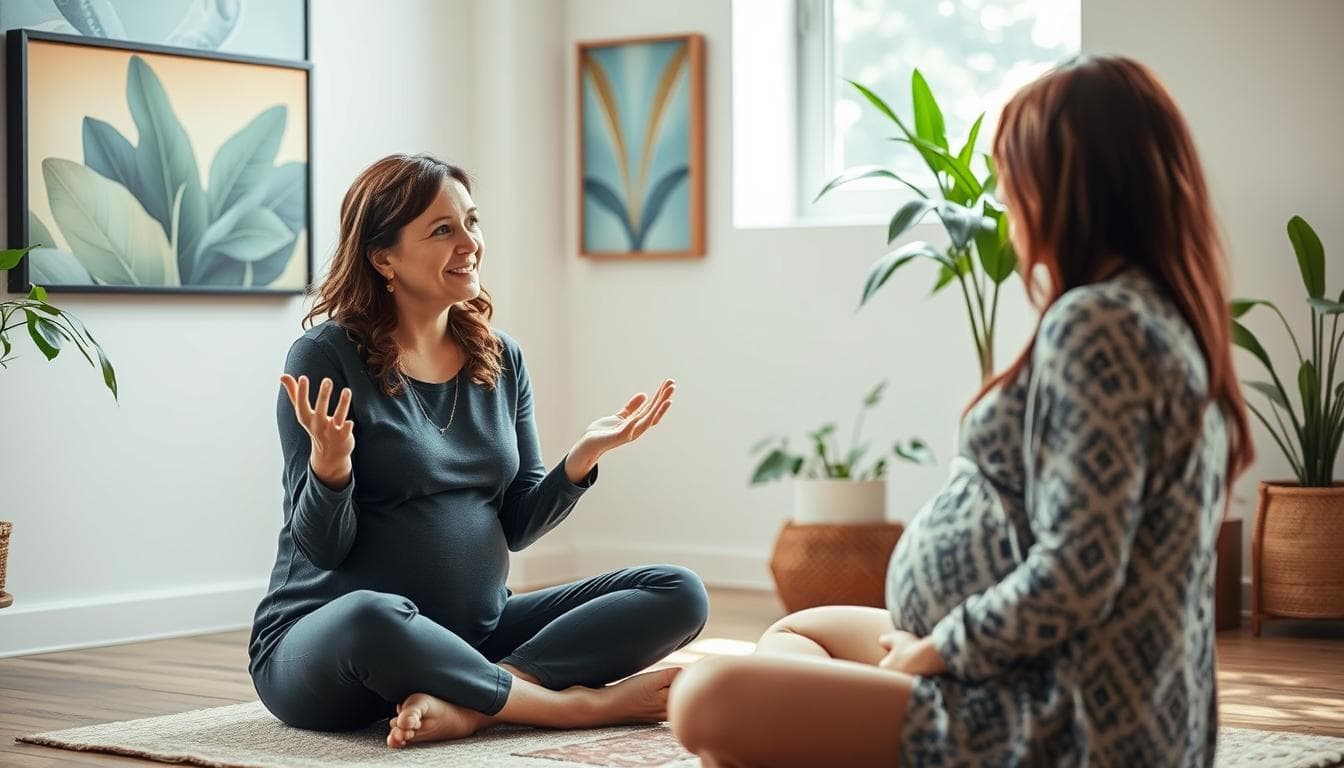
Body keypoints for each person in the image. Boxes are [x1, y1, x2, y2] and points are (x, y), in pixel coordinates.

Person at [668, 54, 1254, 767]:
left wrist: (942, 648)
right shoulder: (1156, 317)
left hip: (1060, 715)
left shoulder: (1099, 324)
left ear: (1070, 186)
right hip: (1033, 668)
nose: (1004, 204)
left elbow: (1080, 570)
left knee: (709, 699)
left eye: (1014, 178)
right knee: (804, 635)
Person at [247, 153, 709, 749]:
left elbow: (516, 524)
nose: (469, 243)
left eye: (471, 221)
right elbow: (323, 548)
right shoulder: (324, 357)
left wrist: (580, 461)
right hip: (329, 647)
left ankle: (479, 702)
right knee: (372, 614)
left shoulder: (500, 357)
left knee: (677, 591)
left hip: (473, 635)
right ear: (383, 257)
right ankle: (566, 709)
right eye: (442, 230)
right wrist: (330, 469)